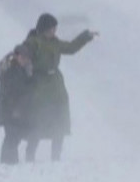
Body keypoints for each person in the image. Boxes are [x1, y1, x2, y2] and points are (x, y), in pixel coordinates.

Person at [22, 13, 97, 162]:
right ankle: (30, 156)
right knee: (38, 120)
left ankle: (56, 157)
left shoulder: (55, 43)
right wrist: (27, 66)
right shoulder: (33, 42)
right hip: (39, 84)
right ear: (43, 28)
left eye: (55, 28)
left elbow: (71, 48)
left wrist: (86, 36)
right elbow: (23, 54)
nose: (53, 31)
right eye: (51, 28)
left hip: (56, 85)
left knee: (59, 119)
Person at [0, 44, 34, 164]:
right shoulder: (11, 70)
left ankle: (10, 162)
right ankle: (7, 162)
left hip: (17, 110)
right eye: (23, 57)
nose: (25, 60)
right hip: (11, 110)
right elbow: (11, 91)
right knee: (12, 137)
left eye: (27, 58)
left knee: (15, 137)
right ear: (17, 56)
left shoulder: (21, 70)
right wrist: (14, 108)